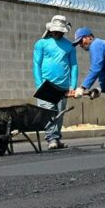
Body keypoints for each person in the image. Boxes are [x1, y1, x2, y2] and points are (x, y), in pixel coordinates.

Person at [33, 15, 78, 150]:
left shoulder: (69, 46)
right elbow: (36, 64)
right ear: (51, 29)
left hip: (63, 86)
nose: (57, 33)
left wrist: (73, 86)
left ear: (64, 31)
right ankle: (51, 138)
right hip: (46, 85)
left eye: (60, 31)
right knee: (48, 112)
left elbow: (74, 66)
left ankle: (56, 138)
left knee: (59, 113)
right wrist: (39, 83)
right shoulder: (41, 44)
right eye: (55, 30)